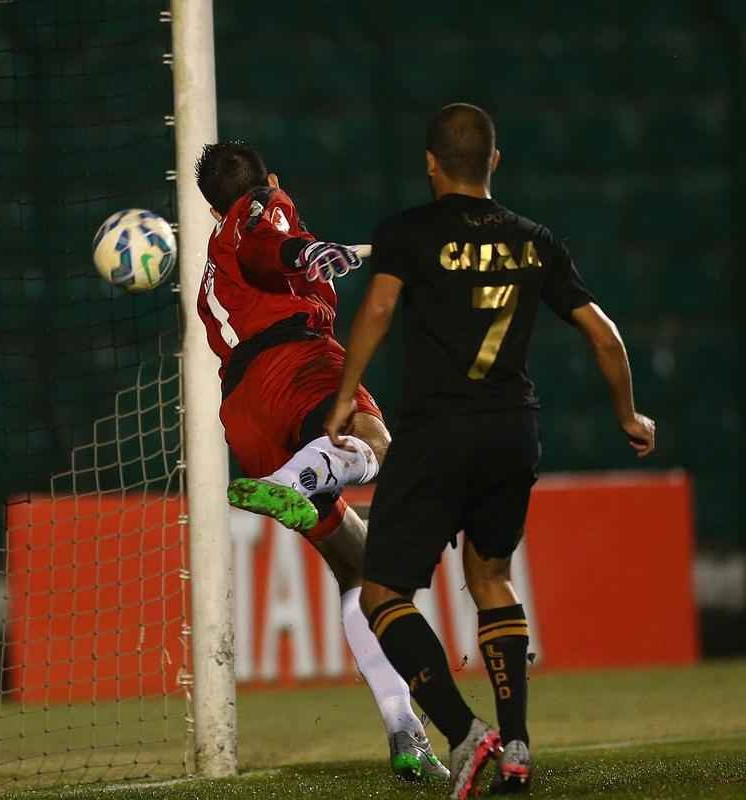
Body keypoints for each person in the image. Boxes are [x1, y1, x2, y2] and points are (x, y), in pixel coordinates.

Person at [321, 103, 656, 798]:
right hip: (513, 430)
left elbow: (378, 310)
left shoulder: (407, 233)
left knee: (384, 591)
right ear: (493, 163)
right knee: (492, 576)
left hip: (438, 431)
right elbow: (605, 337)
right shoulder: (536, 241)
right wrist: (628, 413)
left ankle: (464, 732)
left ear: (431, 162)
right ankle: (520, 746)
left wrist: (346, 393)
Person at [194, 141, 448, 781]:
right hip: (295, 366)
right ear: (269, 180)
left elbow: (255, 259)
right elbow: (267, 246)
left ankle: (404, 729)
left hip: (245, 415)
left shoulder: (211, 264)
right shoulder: (263, 209)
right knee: (379, 444)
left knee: (360, 572)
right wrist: (302, 250)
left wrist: (307, 256)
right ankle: (291, 480)